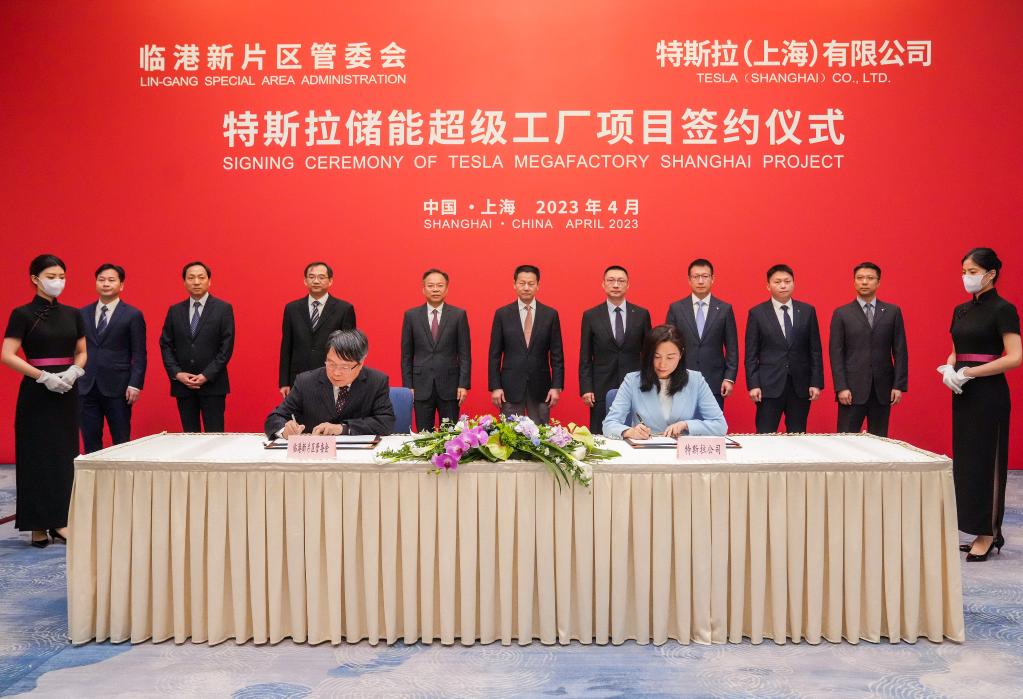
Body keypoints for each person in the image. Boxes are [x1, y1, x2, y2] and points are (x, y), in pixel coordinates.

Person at [939, 248, 1021, 562]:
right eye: (964, 271)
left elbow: (1015, 357)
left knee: (988, 461)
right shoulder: (960, 310)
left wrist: (970, 372)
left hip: (989, 393)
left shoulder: (1003, 309)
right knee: (968, 462)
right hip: (963, 393)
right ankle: (975, 528)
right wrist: (950, 369)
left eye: (972, 271)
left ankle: (989, 533)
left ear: (991, 274)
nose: (966, 277)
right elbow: (955, 350)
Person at [1, 254, 86, 548]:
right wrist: (42, 377)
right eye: (51, 276)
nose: (57, 281)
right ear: (35, 279)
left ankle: (61, 521)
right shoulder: (22, 314)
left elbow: (82, 351)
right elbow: (7, 354)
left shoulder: (74, 314)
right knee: (35, 456)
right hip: (37, 392)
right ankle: (37, 524)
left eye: (62, 276)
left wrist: (74, 371)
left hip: (66, 391)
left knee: (63, 455)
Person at [602, 324, 727, 439]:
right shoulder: (632, 381)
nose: (662, 364)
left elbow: (720, 425)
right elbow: (609, 424)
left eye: (670, 357)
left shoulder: (696, 380)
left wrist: (686, 425)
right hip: (645, 449)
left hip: (682, 451)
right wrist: (630, 432)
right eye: (656, 357)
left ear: (681, 354)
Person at [265, 329, 395, 438]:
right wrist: (284, 430)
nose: (336, 373)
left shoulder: (376, 381)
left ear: (360, 364)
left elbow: (386, 422)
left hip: (357, 454)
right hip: (315, 454)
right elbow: (275, 418)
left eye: (344, 367)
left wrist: (342, 428)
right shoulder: (305, 382)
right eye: (331, 364)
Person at [829, 262, 908, 437]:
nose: (864, 282)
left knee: (879, 440)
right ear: (854, 282)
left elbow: (900, 350)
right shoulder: (842, 313)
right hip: (851, 389)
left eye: (870, 278)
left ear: (878, 282)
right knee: (846, 439)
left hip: (882, 389)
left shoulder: (892, 312)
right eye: (860, 278)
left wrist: (898, 385)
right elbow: (836, 353)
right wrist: (841, 387)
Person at [744, 264, 824, 433]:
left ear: (794, 284)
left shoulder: (807, 311)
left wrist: (816, 382)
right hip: (768, 386)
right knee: (765, 434)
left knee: (798, 434)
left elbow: (815, 350)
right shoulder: (757, 313)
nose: (783, 285)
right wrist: (753, 384)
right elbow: (751, 354)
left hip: (800, 385)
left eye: (787, 281)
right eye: (777, 282)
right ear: (768, 286)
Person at [78, 263, 147, 453]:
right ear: (96, 283)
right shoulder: (82, 313)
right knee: (90, 440)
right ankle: (94, 473)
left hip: (119, 387)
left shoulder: (132, 314)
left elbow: (139, 353)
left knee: (121, 440)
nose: (106, 284)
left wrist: (135, 384)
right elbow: (76, 349)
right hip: (86, 385)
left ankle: (121, 473)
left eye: (111, 280)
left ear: (121, 285)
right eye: (101, 280)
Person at [159, 261, 235, 432]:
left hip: (213, 385)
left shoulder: (223, 309)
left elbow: (226, 347)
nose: (196, 282)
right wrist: (177, 373)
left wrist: (206, 375)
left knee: (214, 436)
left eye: (201, 277)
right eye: (191, 278)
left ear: (209, 281)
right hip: (183, 386)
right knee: (189, 436)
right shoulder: (175, 311)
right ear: (184, 282)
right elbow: (165, 344)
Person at [488, 265, 565, 424]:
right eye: (522, 283)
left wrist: (556, 386)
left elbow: (557, 355)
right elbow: (494, 355)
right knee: (509, 435)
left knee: (540, 435)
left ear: (538, 285)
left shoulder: (550, 314)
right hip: (509, 388)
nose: (526, 287)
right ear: (514, 284)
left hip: (541, 388)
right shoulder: (502, 314)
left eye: (531, 283)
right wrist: (495, 386)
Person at [579, 265, 651, 433]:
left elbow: (648, 353)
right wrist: (586, 388)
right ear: (603, 284)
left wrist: (649, 382)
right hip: (601, 386)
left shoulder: (641, 314)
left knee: (636, 431)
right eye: (611, 280)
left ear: (628, 285)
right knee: (600, 433)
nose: (616, 285)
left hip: (635, 384)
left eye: (621, 281)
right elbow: (585, 356)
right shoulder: (591, 315)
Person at [400, 268, 471, 430]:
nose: (435, 289)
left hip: (450, 386)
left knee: (450, 435)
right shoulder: (411, 316)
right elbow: (406, 355)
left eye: (440, 285)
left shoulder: (458, 315)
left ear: (446, 289)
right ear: (423, 289)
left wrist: (463, 384)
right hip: (421, 386)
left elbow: (465, 354)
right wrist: (408, 386)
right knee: (424, 435)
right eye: (431, 286)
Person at [665, 258, 739, 409]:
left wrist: (729, 378)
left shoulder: (724, 309)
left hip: (715, 380)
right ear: (689, 280)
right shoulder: (676, 308)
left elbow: (732, 347)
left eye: (705, 276)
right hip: (681, 380)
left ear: (712, 279)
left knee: (712, 423)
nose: (700, 281)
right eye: (696, 276)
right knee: (681, 423)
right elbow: (668, 345)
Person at [278, 261, 356, 397]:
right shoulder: (292, 309)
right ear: (305, 281)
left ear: (330, 281)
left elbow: (349, 349)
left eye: (321, 277)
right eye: (312, 277)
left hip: (332, 377)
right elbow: (286, 346)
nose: (316, 281)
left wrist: (346, 380)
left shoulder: (344, 309)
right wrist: (284, 382)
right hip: (298, 378)